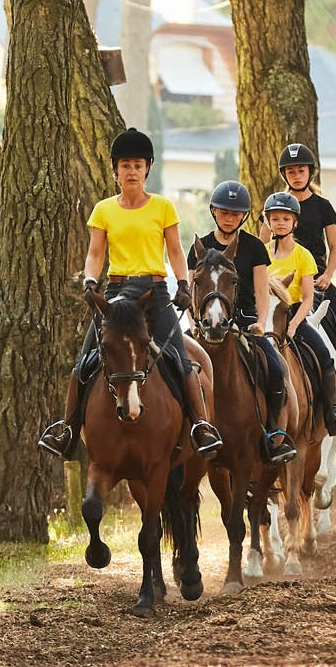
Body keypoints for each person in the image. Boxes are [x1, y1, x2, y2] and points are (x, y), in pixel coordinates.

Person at [39, 128, 222, 460]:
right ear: (115, 170)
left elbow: (176, 251)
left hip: (154, 292)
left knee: (181, 361)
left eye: (138, 165)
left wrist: (182, 284)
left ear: (148, 168)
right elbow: (96, 253)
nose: (132, 171)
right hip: (117, 292)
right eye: (125, 165)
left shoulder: (163, 207)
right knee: (83, 365)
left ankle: (201, 426)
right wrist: (89, 282)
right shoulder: (104, 210)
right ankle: (67, 429)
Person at [195, 180, 300, 465]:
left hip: (245, 322)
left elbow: (262, 291)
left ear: (243, 216)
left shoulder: (254, 247)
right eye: (224, 211)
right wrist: (196, 321)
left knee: (276, 369)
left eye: (235, 212)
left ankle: (274, 433)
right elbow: (196, 288)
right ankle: (190, 430)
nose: (229, 217)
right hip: (207, 325)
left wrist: (262, 323)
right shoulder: (202, 246)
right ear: (214, 211)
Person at [278, 143, 336, 405]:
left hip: (317, 276)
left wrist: (330, 274)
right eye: (291, 171)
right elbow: (264, 248)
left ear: (310, 172)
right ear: (284, 175)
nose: (296, 175)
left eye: (301, 170)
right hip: (282, 280)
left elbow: (334, 247)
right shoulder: (276, 206)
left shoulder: (322, 206)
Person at [261, 192, 336, 434]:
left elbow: (308, 298)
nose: (280, 223)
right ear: (268, 222)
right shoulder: (259, 253)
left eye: (285, 218)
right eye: (275, 218)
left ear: (294, 222)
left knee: (324, 355)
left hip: (292, 313)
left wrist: (293, 325)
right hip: (265, 314)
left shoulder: (304, 255)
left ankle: (332, 409)